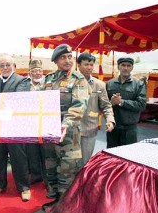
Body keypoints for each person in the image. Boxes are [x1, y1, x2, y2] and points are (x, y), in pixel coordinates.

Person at [40, 44, 90, 209]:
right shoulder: (48, 79)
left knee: (68, 168)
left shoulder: (78, 79)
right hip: (49, 131)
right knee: (51, 165)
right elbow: (38, 103)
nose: (68, 60)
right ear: (55, 61)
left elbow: (78, 106)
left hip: (68, 134)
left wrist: (65, 125)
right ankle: (56, 199)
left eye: (70, 57)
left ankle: (66, 204)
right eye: (63, 57)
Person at [0, 54, 31, 201]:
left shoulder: (23, 80)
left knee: (18, 158)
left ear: (14, 66)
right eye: (2, 65)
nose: (5, 68)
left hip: (15, 127)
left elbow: (18, 101)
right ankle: (0, 184)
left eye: (8, 65)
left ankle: (24, 187)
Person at [77, 53, 115, 166]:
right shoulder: (70, 82)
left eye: (91, 65)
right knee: (69, 163)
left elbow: (106, 105)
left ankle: (81, 183)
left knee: (85, 162)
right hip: (71, 130)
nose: (89, 67)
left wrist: (110, 120)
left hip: (89, 128)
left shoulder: (99, 85)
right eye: (86, 64)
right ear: (78, 65)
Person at [16, 59, 47, 184]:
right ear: (29, 72)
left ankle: (47, 176)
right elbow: (18, 98)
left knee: (46, 150)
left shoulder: (48, 82)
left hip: (45, 121)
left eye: (39, 70)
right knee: (31, 149)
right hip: (29, 122)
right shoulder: (23, 84)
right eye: (34, 71)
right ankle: (35, 174)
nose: (37, 73)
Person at [106, 57, 146, 148]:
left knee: (128, 157)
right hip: (113, 127)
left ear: (132, 68)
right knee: (111, 156)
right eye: (123, 65)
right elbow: (103, 104)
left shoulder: (139, 84)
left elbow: (141, 105)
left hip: (130, 129)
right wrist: (111, 102)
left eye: (128, 66)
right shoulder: (109, 84)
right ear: (118, 67)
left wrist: (121, 102)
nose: (126, 68)